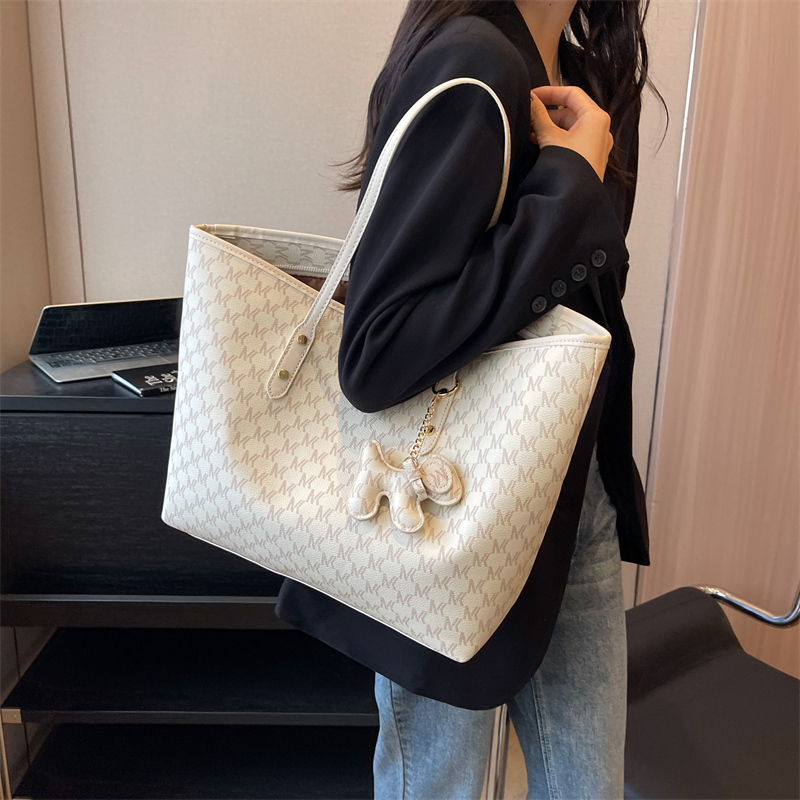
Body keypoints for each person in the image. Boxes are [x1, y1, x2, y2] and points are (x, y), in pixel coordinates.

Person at [274, 1, 667, 796]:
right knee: (440, 784)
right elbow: (378, 351)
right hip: (443, 505)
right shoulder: (475, 60)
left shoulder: (574, 72)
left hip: (570, 495)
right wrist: (567, 184)